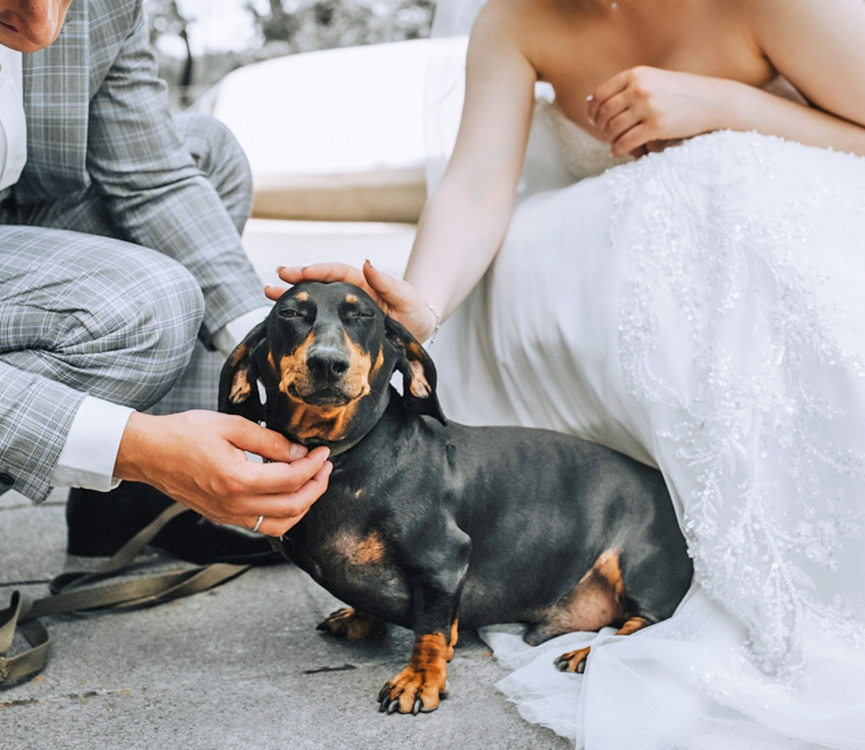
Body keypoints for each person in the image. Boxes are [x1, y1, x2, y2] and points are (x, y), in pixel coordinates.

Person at [274, 0, 865, 746]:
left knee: (720, 188)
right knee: (525, 244)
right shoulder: (515, 19)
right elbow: (478, 185)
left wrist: (726, 106)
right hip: (605, 284)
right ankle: (543, 539)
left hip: (791, 238)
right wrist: (418, 310)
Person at [0, 0, 332, 652]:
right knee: (145, 309)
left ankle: (125, 507)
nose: (44, 27)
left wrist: (274, 353)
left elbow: (156, 182)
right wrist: (139, 448)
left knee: (206, 153)